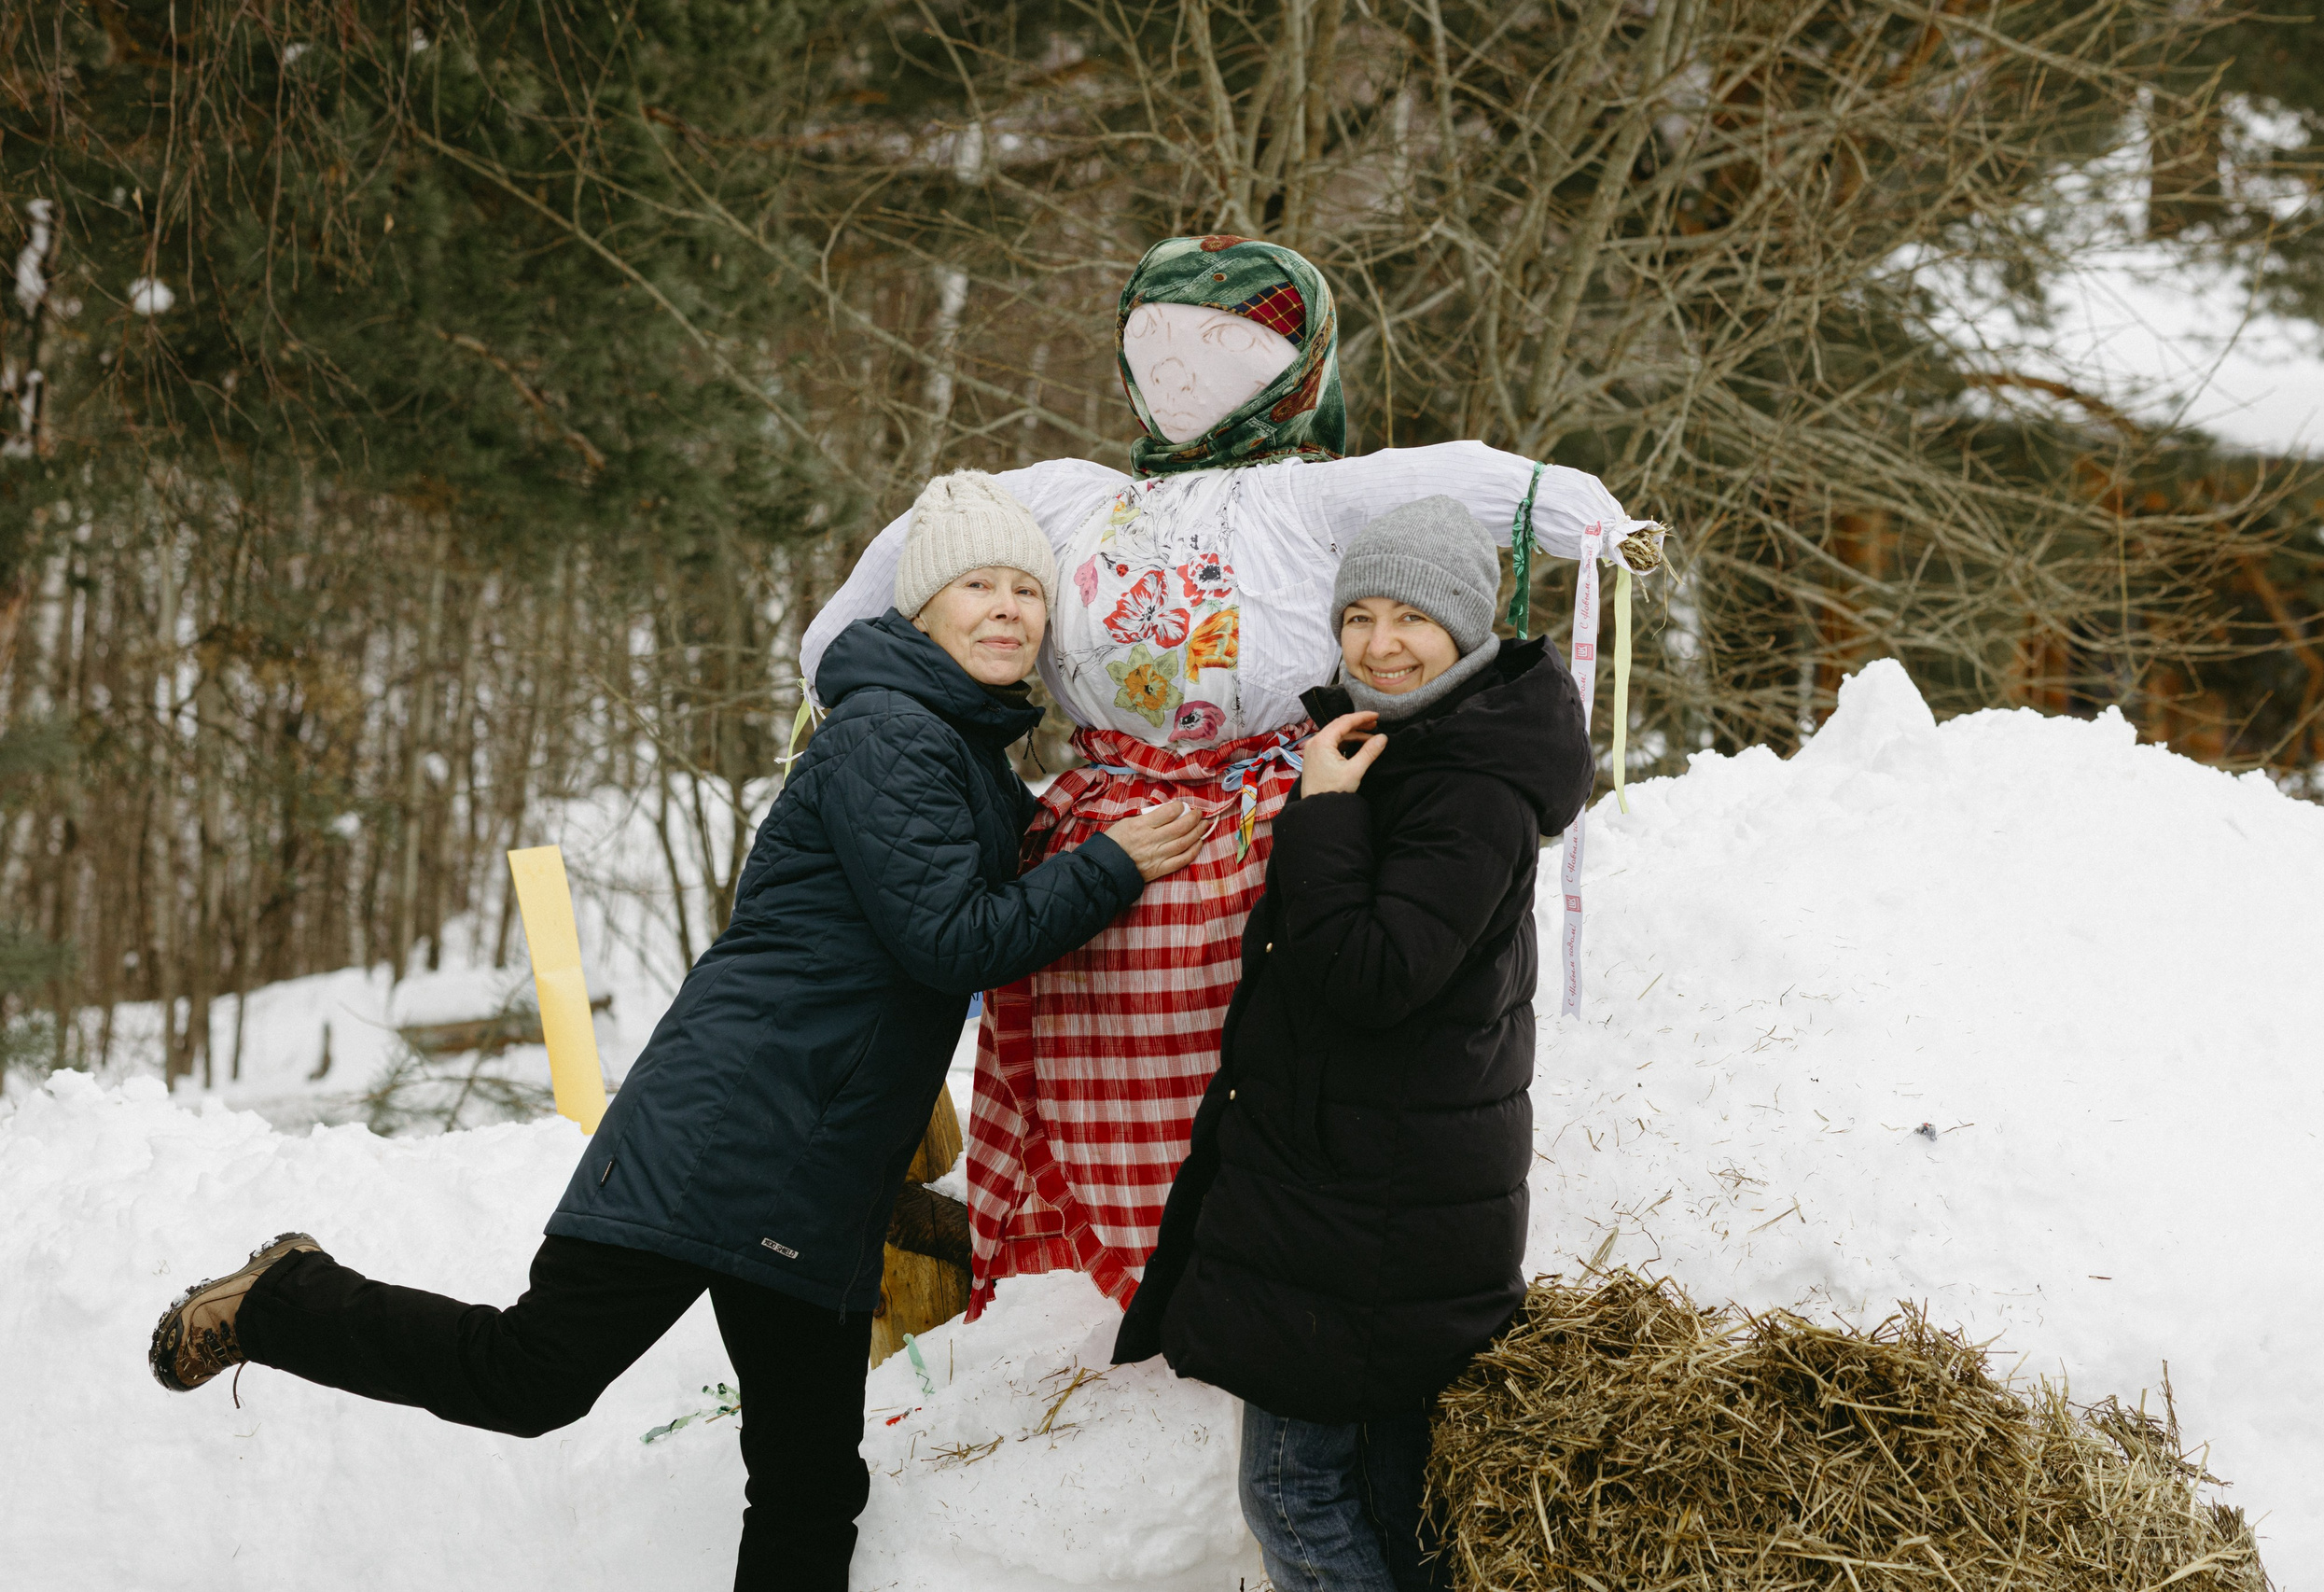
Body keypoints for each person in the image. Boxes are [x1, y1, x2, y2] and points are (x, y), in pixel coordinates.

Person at [146, 471, 1206, 1592]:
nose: (1006, 608)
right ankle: (283, 1297)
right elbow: (952, 938)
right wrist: (1114, 861)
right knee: (533, 1374)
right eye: (977, 584)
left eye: (1027, 590)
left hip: (816, 1166)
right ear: (920, 610)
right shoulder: (890, 736)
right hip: (727, 1130)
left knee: (806, 1479)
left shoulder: (964, 755)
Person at [795, 235, 1659, 1322]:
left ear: (1294, 366)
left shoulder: (1313, 501)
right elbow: (933, 530)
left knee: (1256, 1054)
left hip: (1264, 821)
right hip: (1100, 828)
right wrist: (833, 653)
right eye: (1151, 341)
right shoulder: (1069, 497)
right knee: (1091, 1051)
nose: (1177, 367)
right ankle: (1099, 1272)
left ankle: (1242, 1261)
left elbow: (1452, 476)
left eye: (1220, 344)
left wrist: (1591, 517)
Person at [1111, 497, 1594, 1592]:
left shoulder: (1466, 784)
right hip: (1373, 1192)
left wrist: (1320, 813)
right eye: (1360, 614)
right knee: (1388, 1498)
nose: (1381, 642)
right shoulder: (1416, 745)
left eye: (1413, 617)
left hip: (1364, 1213)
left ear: (1468, 627)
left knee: (1291, 1489)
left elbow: (1375, 973)